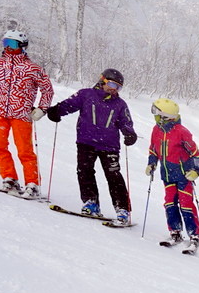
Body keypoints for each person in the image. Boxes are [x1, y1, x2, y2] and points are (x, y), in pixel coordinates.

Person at [45, 68, 137, 222]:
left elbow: (125, 121)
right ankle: (91, 202)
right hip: (85, 142)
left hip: (109, 146)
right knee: (85, 171)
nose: (114, 90)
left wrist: (129, 133)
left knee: (114, 176)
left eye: (118, 87)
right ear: (103, 81)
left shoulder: (120, 104)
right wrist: (57, 111)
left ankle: (122, 209)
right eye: (113, 85)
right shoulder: (86, 94)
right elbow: (69, 104)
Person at [0, 29, 53, 198]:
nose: (8, 48)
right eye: (5, 43)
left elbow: (48, 90)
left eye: (12, 44)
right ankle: (10, 178)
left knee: (24, 151)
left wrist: (42, 109)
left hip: (21, 115)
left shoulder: (33, 68)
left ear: (22, 46)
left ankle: (33, 184)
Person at [146, 98, 199, 247]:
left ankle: (194, 235)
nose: (154, 115)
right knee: (170, 203)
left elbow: (195, 153)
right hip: (167, 175)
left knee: (186, 204)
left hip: (184, 175)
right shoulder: (156, 130)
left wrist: (197, 171)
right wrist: (151, 163)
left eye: (156, 112)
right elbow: (153, 149)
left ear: (165, 116)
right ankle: (175, 232)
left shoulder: (181, 132)